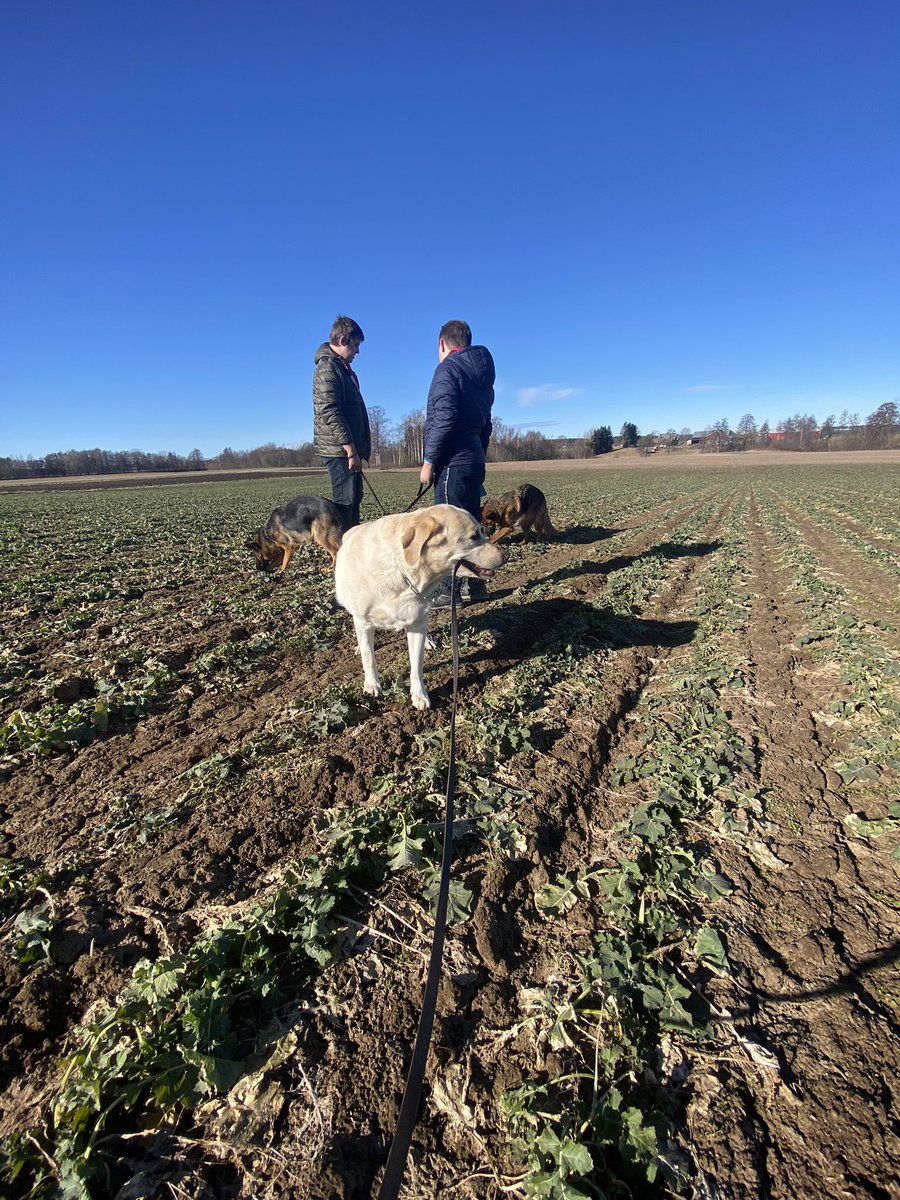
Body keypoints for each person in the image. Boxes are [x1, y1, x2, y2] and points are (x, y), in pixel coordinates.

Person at [419, 319, 495, 604]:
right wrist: (478, 455)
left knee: (449, 530)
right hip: (474, 460)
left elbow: (443, 419)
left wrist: (429, 461)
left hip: (453, 461)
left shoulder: (447, 370)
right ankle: (478, 587)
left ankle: (446, 593)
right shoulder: (483, 379)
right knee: (472, 527)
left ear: (442, 343)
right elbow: (486, 426)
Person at [313, 315, 371, 529]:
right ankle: (345, 555)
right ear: (343, 339)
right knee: (346, 504)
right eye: (355, 345)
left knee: (354, 500)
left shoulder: (342, 369)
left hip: (347, 449)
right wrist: (350, 450)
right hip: (340, 451)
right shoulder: (328, 368)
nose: (357, 351)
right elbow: (329, 411)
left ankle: (352, 552)